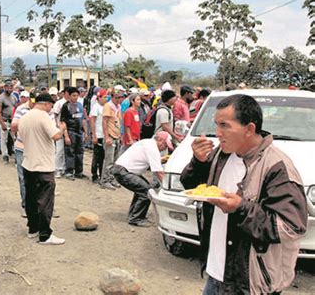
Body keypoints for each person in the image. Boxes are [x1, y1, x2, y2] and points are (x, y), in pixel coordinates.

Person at [180, 94, 308, 294]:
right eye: (216, 125)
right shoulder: (219, 155)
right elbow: (191, 186)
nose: (217, 133)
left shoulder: (276, 167)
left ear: (249, 129)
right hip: (216, 273)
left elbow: (290, 227)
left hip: (250, 283)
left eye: (224, 125)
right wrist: (198, 161)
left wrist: (240, 208)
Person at [18, 93, 66, 245]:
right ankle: (45, 234)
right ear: (46, 104)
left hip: (28, 162)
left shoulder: (25, 116)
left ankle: (33, 229)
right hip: (43, 165)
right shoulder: (43, 116)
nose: (51, 109)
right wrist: (62, 129)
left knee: (31, 198)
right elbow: (55, 136)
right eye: (51, 106)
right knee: (45, 200)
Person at [112, 132, 172, 227]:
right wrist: (169, 187)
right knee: (147, 191)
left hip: (122, 169)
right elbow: (159, 172)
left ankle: (133, 215)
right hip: (124, 171)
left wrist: (161, 159)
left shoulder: (147, 142)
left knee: (141, 189)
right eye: (165, 145)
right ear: (160, 140)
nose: (165, 148)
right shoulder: (152, 148)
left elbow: (147, 159)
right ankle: (136, 218)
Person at [11, 91, 35, 217]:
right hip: (22, 147)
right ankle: (26, 204)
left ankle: (37, 203)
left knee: (37, 177)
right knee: (23, 177)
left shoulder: (43, 110)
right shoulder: (21, 109)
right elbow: (14, 125)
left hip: (36, 149)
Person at [60, 87, 88, 180]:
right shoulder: (65, 106)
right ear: (69, 96)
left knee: (80, 152)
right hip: (70, 131)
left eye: (77, 95)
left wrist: (86, 132)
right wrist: (66, 135)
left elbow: (83, 119)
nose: (75, 97)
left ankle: (79, 172)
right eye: (73, 95)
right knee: (70, 152)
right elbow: (63, 122)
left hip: (79, 132)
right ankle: (69, 172)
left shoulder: (80, 105)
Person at [100, 89, 124, 190]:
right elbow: (104, 122)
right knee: (108, 160)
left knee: (115, 160)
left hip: (116, 135)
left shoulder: (118, 107)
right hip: (110, 136)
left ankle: (111, 178)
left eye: (121, 97)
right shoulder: (108, 106)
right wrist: (107, 137)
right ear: (113, 97)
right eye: (118, 97)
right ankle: (105, 180)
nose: (120, 99)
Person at [0, 80, 17, 163]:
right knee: (4, 139)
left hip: (12, 121)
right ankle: (5, 156)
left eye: (11, 87)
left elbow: (15, 108)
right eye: (8, 87)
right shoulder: (1, 98)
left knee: (14, 138)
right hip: (4, 120)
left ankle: (15, 155)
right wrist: (2, 123)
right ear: (4, 88)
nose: (9, 89)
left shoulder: (13, 97)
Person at [89, 89, 107, 183]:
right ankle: (94, 175)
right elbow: (92, 121)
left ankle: (101, 174)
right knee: (97, 156)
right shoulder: (96, 107)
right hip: (98, 134)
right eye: (104, 97)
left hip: (104, 135)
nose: (106, 99)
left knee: (103, 157)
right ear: (99, 98)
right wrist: (94, 135)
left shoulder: (106, 107)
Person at [52, 87, 70, 178]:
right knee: (59, 149)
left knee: (66, 150)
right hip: (59, 129)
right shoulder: (59, 103)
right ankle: (57, 168)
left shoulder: (71, 103)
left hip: (68, 129)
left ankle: (63, 167)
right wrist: (56, 127)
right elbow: (55, 115)